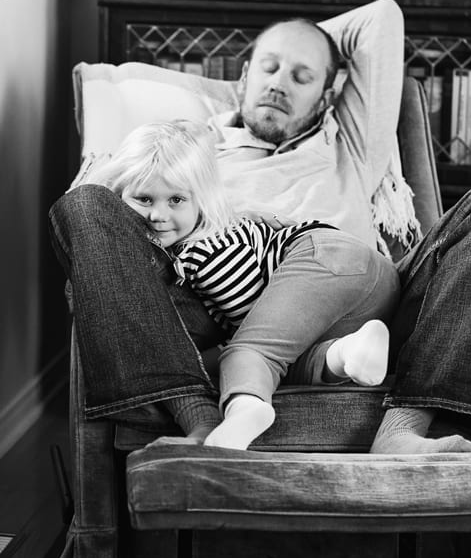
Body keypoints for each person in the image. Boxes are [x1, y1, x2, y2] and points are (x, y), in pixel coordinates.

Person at [49, 0, 471, 454]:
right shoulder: (193, 149)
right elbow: (120, 217)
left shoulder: (349, 143)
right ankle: (198, 415)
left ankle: (405, 430)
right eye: (268, 67)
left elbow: (381, 18)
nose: (279, 83)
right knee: (83, 206)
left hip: (359, 299)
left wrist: (302, 38)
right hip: (213, 304)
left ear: (328, 95)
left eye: (301, 76)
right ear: (244, 77)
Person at [80, 118, 398, 449]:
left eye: (175, 200)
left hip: (326, 258)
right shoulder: (217, 233)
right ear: (119, 195)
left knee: (247, 354)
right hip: (368, 295)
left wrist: (209, 362)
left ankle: (244, 413)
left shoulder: (204, 253)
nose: (158, 215)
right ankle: (351, 352)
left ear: (200, 201)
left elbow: (251, 325)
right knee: (294, 353)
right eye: (144, 199)